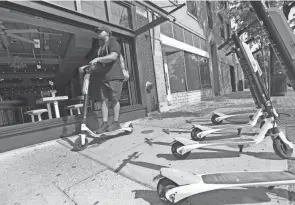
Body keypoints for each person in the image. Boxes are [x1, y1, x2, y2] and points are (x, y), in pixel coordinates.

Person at [80, 26, 124, 133]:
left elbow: (113, 56)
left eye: (100, 31)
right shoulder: (100, 47)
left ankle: (116, 123)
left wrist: (97, 58)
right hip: (103, 77)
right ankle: (104, 124)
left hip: (114, 76)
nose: (98, 33)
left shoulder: (113, 42)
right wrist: (87, 67)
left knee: (114, 99)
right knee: (103, 100)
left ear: (107, 33)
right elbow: (97, 64)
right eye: (97, 31)